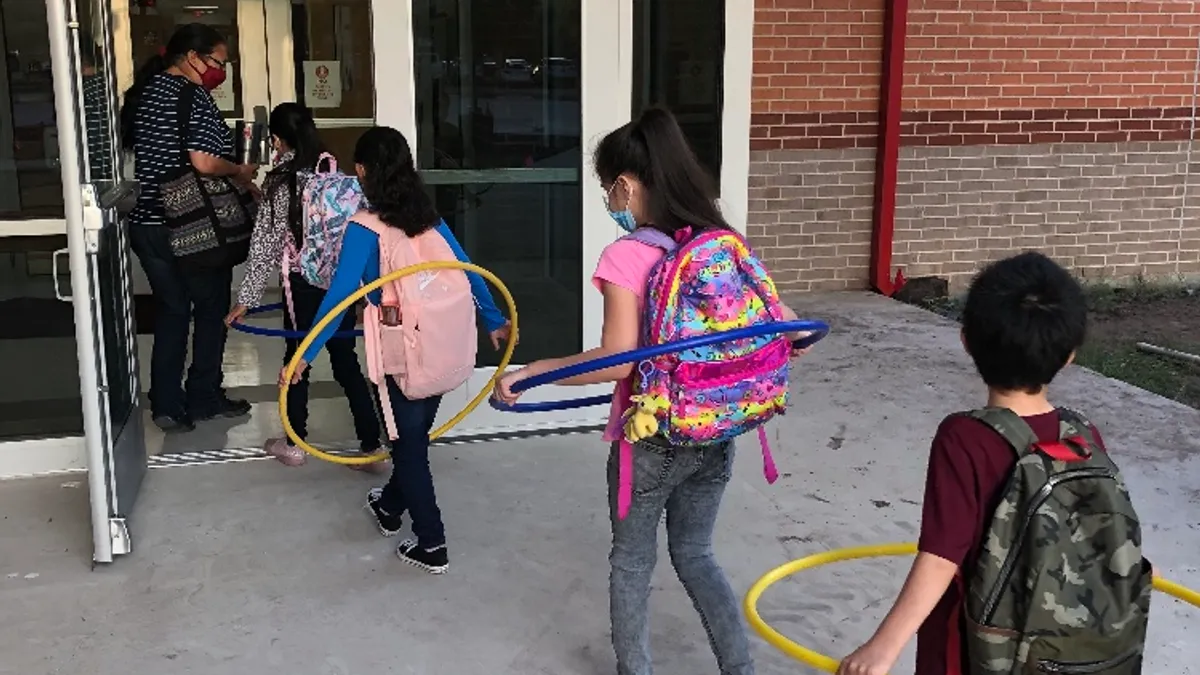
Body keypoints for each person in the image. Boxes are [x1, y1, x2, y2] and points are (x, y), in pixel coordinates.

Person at [493, 108, 812, 675]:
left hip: (653, 436)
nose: (609, 202)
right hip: (717, 429)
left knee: (632, 563)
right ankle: (740, 668)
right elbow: (790, 323)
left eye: (607, 188)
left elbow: (617, 363)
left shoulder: (626, 255)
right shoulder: (719, 241)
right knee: (696, 554)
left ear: (627, 184)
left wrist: (533, 370)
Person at [837, 252, 1150, 675]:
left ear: (966, 340)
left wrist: (884, 646)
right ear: (1069, 355)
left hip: (976, 646)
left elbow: (942, 555)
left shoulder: (964, 439)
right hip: (1061, 649)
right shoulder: (1082, 436)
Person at [280, 126, 511, 573]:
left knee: (408, 450)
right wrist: (493, 319)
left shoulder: (365, 229)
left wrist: (303, 356)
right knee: (413, 439)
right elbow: (467, 269)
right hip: (443, 342)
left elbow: (339, 297)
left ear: (362, 171)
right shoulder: (429, 218)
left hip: (402, 353)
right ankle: (388, 507)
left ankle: (432, 542)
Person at [224, 103, 382, 468]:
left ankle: (294, 443)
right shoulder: (332, 168)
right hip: (338, 280)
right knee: (345, 361)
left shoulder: (280, 179)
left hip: (301, 282)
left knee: (296, 358)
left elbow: (266, 243)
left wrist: (246, 299)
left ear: (277, 139)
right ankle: (372, 446)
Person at [121, 23, 258, 432]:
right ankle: (203, 398)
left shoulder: (142, 93)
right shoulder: (191, 94)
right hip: (189, 225)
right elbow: (202, 161)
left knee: (172, 310)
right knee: (212, 309)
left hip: (146, 222)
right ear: (193, 57)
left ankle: (165, 402)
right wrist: (239, 169)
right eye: (218, 62)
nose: (221, 71)